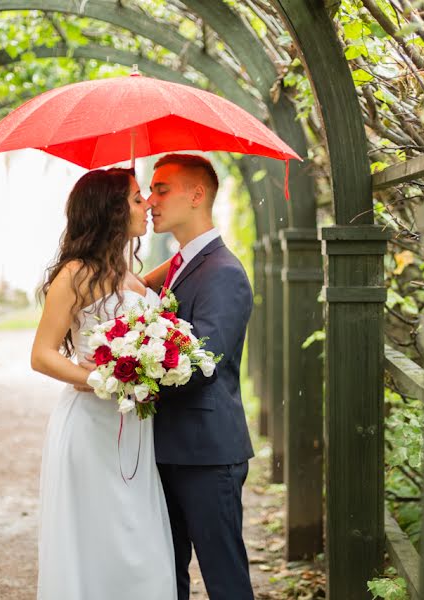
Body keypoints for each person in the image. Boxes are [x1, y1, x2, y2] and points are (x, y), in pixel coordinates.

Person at [30, 168, 175, 599]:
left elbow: (185, 265)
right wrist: (103, 380)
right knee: (97, 537)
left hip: (135, 424)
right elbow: (42, 354)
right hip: (91, 426)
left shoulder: (131, 274)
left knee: (137, 537)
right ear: (110, 211)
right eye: (135, 198)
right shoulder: (76, 274)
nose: (146, 204)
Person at [148, 154, 255, 599]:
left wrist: (133, 372)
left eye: (161, 189)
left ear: (197, 195)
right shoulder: (179, 267)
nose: (150, 200)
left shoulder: (224, 273)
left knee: (224, 580)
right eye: (150, 191)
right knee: (165, 575)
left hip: (208, 454)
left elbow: (202, 365)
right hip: (168, 447)